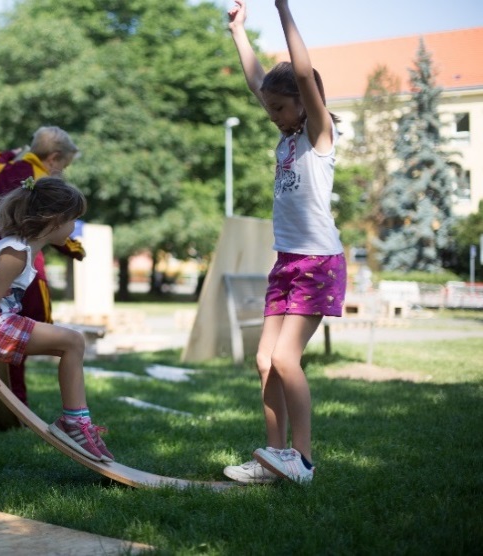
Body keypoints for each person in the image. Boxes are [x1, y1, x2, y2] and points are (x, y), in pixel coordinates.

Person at [222, 0, 346, 485]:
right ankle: (273, 459)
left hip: (319, 261)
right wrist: (238, 31)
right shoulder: (287, 132)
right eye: (270, 107)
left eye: (279, 106)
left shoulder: (319, 136)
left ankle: (304, 459)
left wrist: (282, 8)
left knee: (284, 358)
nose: (270, 113)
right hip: (288, 261)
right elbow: (259, 80)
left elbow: (304, 72)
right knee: (263, 361)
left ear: (304, 100)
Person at [0, 176, 113, 462]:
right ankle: (75, 422)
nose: (73, 227)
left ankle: (77, 420)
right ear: (55, 220)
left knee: (71, 345)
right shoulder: (15, 254)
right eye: (73, 220)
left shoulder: (20, 249)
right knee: (73, 341)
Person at [0, 126, 85, 405]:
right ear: (53, 158)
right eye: (63, 166)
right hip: (26, 266)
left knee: (8, 323)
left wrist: (13, 153)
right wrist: (76, 248)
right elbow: (52, 227)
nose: (61, 172)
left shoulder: (4, 170)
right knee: (32, 325)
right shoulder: (40, 185)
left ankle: (8, 396)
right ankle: (18, 399)